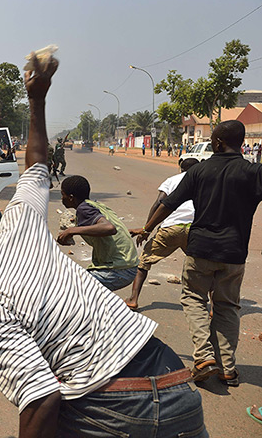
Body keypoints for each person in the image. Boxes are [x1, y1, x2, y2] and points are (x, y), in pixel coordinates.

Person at [0, 52, 207, 437]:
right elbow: (36, 164)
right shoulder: (20, 227)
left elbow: (41, 399)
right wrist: (37, 97)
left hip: (118, 408)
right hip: (175, 381)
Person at [131, 120, 262, 388]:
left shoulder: (199, 171)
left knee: (194, 298)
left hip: (201, 248)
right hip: (234, 253)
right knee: (227, 307)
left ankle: (203, 358)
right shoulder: (254, 172)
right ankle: (227, 368)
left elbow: (167, 204)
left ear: (217, 143)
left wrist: (147, 228)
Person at [124, 158, 199, 310]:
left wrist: (146, 229)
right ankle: (214, 307)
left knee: (144, 262)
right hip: (195, 229)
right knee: (205, 266)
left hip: (170, 228)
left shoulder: (171, 180)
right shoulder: (203, 182)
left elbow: (159, 203)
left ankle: (133, 299)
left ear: (180, 169)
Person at [58, 175, 139, 291]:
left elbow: (110, 228)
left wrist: (72, 231)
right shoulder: (95, 205)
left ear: (71, 197)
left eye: (63, 194)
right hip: (128, 265)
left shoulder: (83, 209)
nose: (61, 198)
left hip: (119, 270)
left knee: (71, 286)